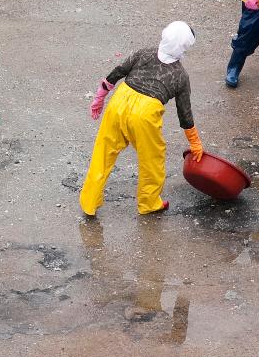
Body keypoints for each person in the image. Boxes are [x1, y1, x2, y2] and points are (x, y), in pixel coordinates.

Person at [79, 22, 204, 216]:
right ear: (184, 47)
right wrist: (195, 143)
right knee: (152, 159)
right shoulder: (180, 76)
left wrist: (99, 99)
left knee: (102, 153)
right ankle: (149, 203)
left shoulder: (145, 53)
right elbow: (185, 114)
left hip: (119, 102)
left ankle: (89, 203)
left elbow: (116, 73)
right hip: (144, 114)